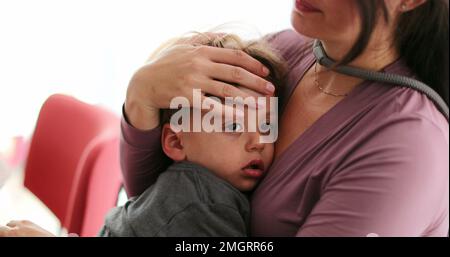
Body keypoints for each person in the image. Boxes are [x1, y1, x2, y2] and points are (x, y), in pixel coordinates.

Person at [2, 0, 449, 237]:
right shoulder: (285, 52)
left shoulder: (409, 148)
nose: (258, 140)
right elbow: (165, 200)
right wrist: (141, 98)